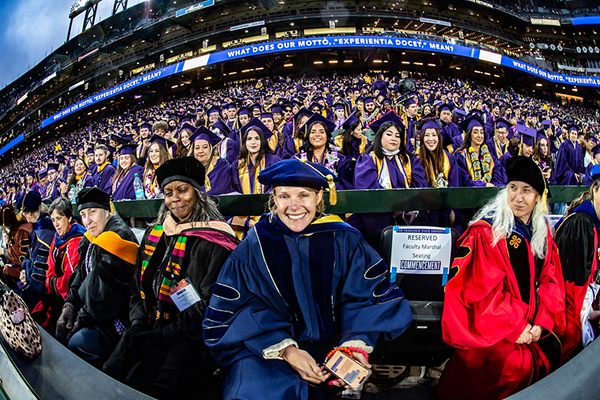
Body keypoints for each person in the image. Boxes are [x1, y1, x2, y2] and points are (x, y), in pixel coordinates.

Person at [202, 159, 413, 399]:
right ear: (274, 199)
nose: (293, 206)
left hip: (331, 349)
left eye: (303, 195)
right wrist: (286, 349)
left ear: (319, 197)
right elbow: (233, 310)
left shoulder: (345, 240)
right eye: (284, 196)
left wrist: (354, 346)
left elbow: (366, 298)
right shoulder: (255, 244)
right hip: (265, 350)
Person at [103, 157, 238, 398]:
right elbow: (137, 285)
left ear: (197, 193)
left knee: (158, 386)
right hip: (151, 324)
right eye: (168, 192)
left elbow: (207, 306)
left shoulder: (216, 240)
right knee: (114, 372)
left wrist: (159, 337)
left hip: (192, 337)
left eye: (182, 190)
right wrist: (138, 323)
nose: (174, 198)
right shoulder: (155, 232)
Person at [438, 157, 565, 400]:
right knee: (511, 366)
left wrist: (542, 321)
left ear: (539, 196)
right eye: (513, 188)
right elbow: (480, 292)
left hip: (533, 326)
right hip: (496, 329)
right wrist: (517, 327)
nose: (518, 197)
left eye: (527, 190)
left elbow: (552, 278)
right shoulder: (487, 233)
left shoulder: (542, 231)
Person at [56, 187, 139, 368]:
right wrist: (69, 305)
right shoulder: (91, 238)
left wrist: (80, 320)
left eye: (92, 212)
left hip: (117, 317)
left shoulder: (118, 239)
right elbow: (79, 276)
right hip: (93, 312)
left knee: (77, 342)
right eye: (83, 214)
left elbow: (104, 296)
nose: (87, 221)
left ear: (106, 211)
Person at [351, 111, 428, 251]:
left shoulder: (410, 161)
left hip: (408, 217)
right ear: (380, 136)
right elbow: (368, 189)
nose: (394, 138)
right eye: (389, 134)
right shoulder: (368, 159)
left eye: (397, 135)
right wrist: (391, 210)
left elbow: (420, 186)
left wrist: (413, 209)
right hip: (378, 218)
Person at [554, 166, 600, 365]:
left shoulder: (593, 220)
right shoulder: (582, 223)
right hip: (565, 307)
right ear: (595, 189)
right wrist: (592, 313)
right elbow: (574, 288)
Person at [31, 197, 86, 333]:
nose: (56, 224)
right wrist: (50, 282)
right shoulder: (58, 237)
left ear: (69, 218)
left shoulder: (76, 240)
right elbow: (50, 265)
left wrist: (53, 283)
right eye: (53, 220)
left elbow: (70, 278)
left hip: (69, 299)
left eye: (59, 218)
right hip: (55, 292)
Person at [230, 119, 282, 239]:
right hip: (243, 218)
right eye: (249, 139)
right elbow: (233, 190)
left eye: (257, 138)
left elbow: (277, 190)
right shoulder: (237, 165)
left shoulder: (274, 162)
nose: (253, 142)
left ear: (263, 141)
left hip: (268, 216)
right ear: (244, 142)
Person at [16, 191, 56, 310]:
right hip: (31, 281)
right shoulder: (38, 227)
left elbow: (40, 270)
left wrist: (27, 278)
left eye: (25, 215)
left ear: (30, 212)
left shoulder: (44, 232)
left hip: (42, 291)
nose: (26, 219)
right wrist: (24, 272)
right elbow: (30, 257)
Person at [416, 117, 459, 227]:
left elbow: (455, 185)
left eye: (434, 135)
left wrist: (453, 210)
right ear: (422, 138)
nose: (431, 139)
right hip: (424, 213)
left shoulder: (449, 158)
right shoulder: (416, 159)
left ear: (439, 137)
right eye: (427, 135)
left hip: (446, 212)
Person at [188, 126, 232, 195]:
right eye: (197, 148)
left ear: (211, 149)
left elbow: (219, 189)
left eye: (205, 147)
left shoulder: (221, 164)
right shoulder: (189, 167)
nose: (200, 151)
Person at [454, 114, 495, 187]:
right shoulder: (461, 155)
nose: (479, 135)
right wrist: (484, 185)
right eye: (475, 132)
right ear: (469, 135)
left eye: (481, 132)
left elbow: (496, 175)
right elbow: (464, 181)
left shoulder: (489, 154)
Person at [0, 203, 33, 288]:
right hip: (22, 265)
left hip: (28, 267)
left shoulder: (22, 232)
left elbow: (19, 256)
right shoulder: (15, 228)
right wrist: (9, 242)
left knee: (6, 271)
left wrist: (3, 251)